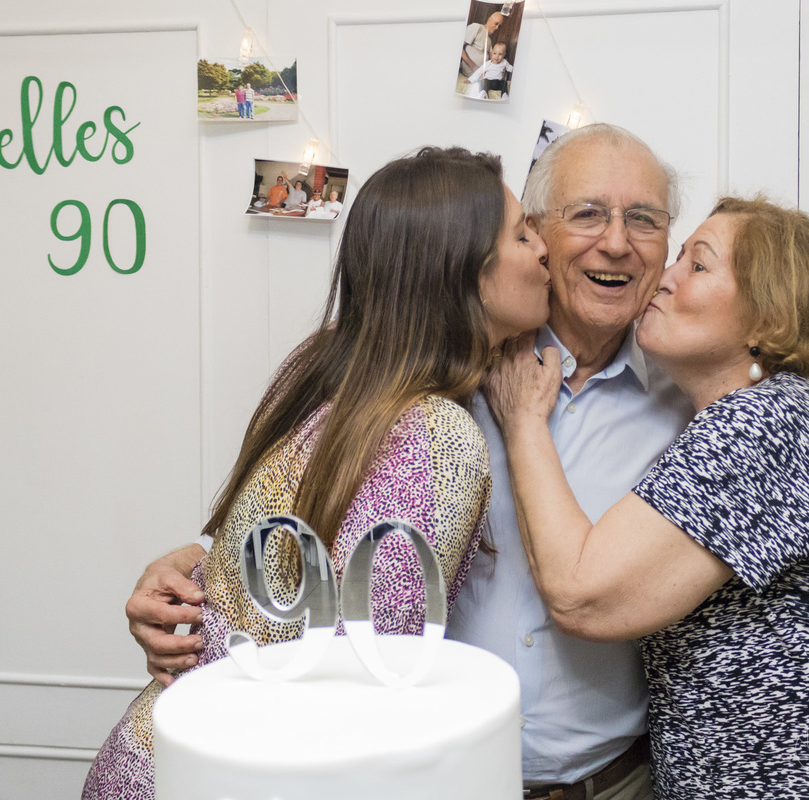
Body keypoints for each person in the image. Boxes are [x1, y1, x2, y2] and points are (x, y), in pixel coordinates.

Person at [126, 124, 692, 800]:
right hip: (432, 776)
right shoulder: (416, 387)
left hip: (611, 781)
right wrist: (193, 571)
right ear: (533, 235)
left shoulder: (694, 403)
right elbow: (310, 523)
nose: (618, 242)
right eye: (587, 214)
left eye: (645, 218)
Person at [82, 146, 550, 799]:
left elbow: (271, 571)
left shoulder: (324, 369)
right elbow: (357, 681)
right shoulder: (437, 436)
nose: (543, 250)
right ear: (463, 269)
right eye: (522, 235)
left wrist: (189, 573)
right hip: (233, 779)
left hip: (156, 756)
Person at [487, 196, 809, 799]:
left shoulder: (768, 420)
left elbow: (583, 596)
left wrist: (524, 421)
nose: (663, 277)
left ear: (770, 320)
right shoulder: (778, 415)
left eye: (697, 265)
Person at [460, 11, 503, 78]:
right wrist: (474, 67)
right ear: (489, 20)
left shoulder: (489, 40)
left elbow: (492, 58)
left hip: (482, 74)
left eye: (499, 26)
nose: (497, 28)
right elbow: (459, 47)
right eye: (496, 23)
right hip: (473, 73)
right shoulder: (476, 27)